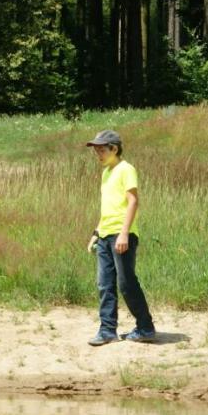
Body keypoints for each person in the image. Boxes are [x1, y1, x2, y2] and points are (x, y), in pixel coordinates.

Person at [84, 129, 156, 346]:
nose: (98, 153)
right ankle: (107, 330)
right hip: (105, 235)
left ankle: (145, 327)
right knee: (104, 284)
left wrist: (124, 233)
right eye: (96, 150)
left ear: (114, 148)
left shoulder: (126, 169)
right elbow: (108, 209)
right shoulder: (106, 172)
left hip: (121, 235)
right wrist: (96, 234)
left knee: (126, 283)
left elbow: (133, 201)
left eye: (102, 149)